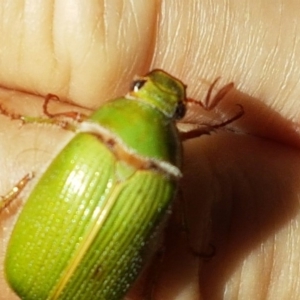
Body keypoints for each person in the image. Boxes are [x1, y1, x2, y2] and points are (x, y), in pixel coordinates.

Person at [1, 1, 300, 299]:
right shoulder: (169, 175)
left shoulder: (95, 131)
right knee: (164, 250)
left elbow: (67, 123)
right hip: (79, 285)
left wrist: (25, 118)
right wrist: (185, 230)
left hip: (32, 267)